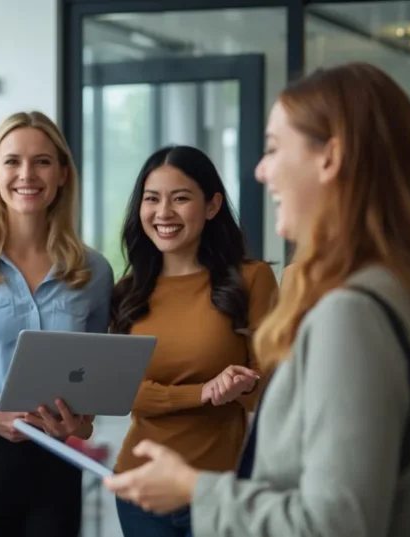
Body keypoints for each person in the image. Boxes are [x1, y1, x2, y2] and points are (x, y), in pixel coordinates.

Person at [104, 62, 410, 536]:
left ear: (329, 159)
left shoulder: (352, 313)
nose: (261, 169)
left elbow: (337, 522)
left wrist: (194, 489)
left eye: (273, 148)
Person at [0, 111, 113, 537]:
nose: (27, 174)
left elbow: (89, 397)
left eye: (42, 161)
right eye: (12, 161)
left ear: (62, 173)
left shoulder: (93, 271)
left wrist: (76, 423)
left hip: (55, 461)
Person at [108, 145, 277, 536]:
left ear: (212, 205)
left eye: (180, 198)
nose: (163, 213)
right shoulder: (126, 293)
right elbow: (119, 393)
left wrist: (241, 386)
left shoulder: (251, 280)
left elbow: (273, 388)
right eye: (152, 199)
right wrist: (203, 393)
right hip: (140, 487)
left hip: (222, 489)